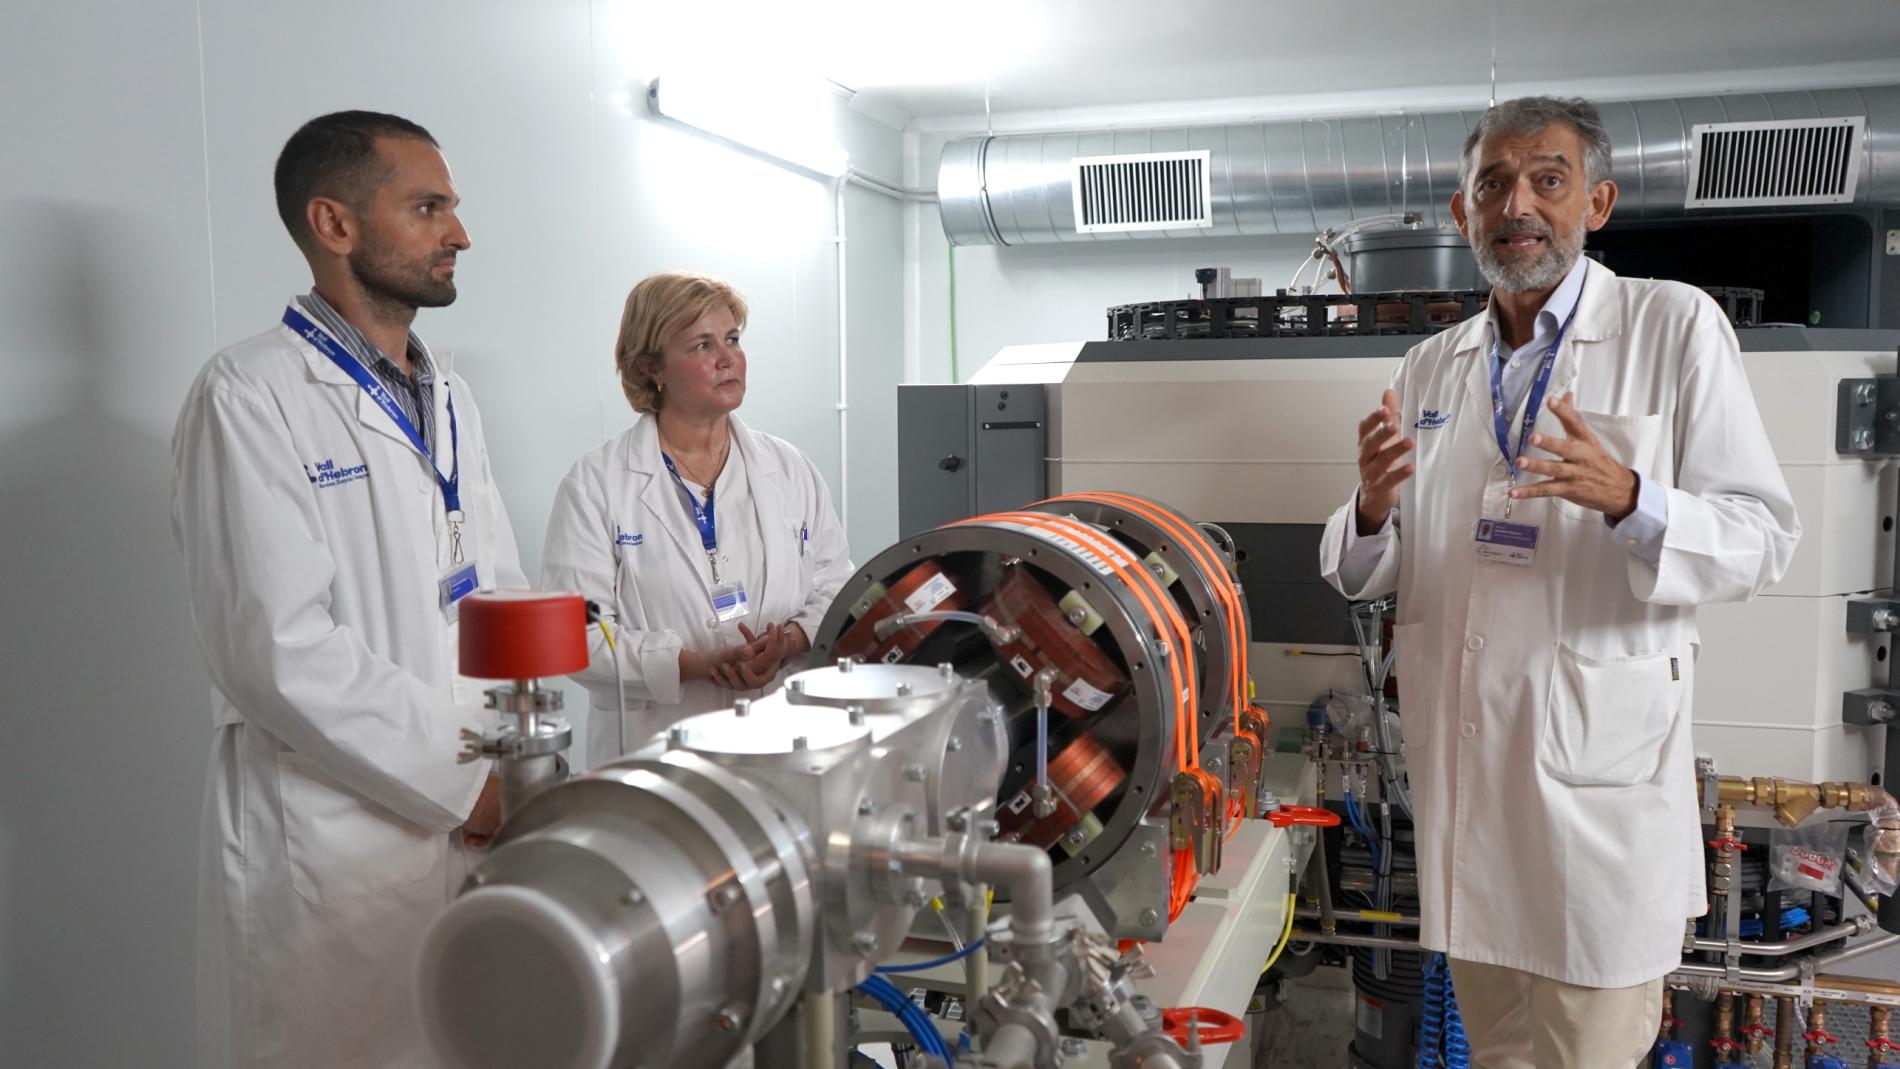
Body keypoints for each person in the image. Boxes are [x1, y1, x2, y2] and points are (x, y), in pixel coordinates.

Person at [1319, 96, 1800, 1069]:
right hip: (1472, 797)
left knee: (1586, 1053)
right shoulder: (1427, 369)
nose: (1517, 203)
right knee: (1493, 1052)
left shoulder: (1672, 327)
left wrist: (1632, 499)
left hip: (1599, 802)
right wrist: (1371, 512)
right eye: (1491, 183)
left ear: (1598, 201)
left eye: (1547, 177)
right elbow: (1385, 563)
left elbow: (1762, 536)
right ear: (1462, 214)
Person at [171, 111, 524, 1067]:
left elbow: (494, 588)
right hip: (332, 844)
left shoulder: (445, 392)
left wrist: (524, 755)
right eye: (427, 207)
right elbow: (279, 650)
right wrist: (469, 781)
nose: (459, 232)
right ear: (334, 224)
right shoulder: (248, 395)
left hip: (474, 819)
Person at [541, 271, 853, 766]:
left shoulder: (789, 469)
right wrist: (688, 665)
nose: (728, 358)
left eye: (732, 339)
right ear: (651, 368)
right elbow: (574, 638)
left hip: (780, 740)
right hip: (655, 753)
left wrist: (790, 640)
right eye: (702, 345)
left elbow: (838, 587)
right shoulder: (596, 484)